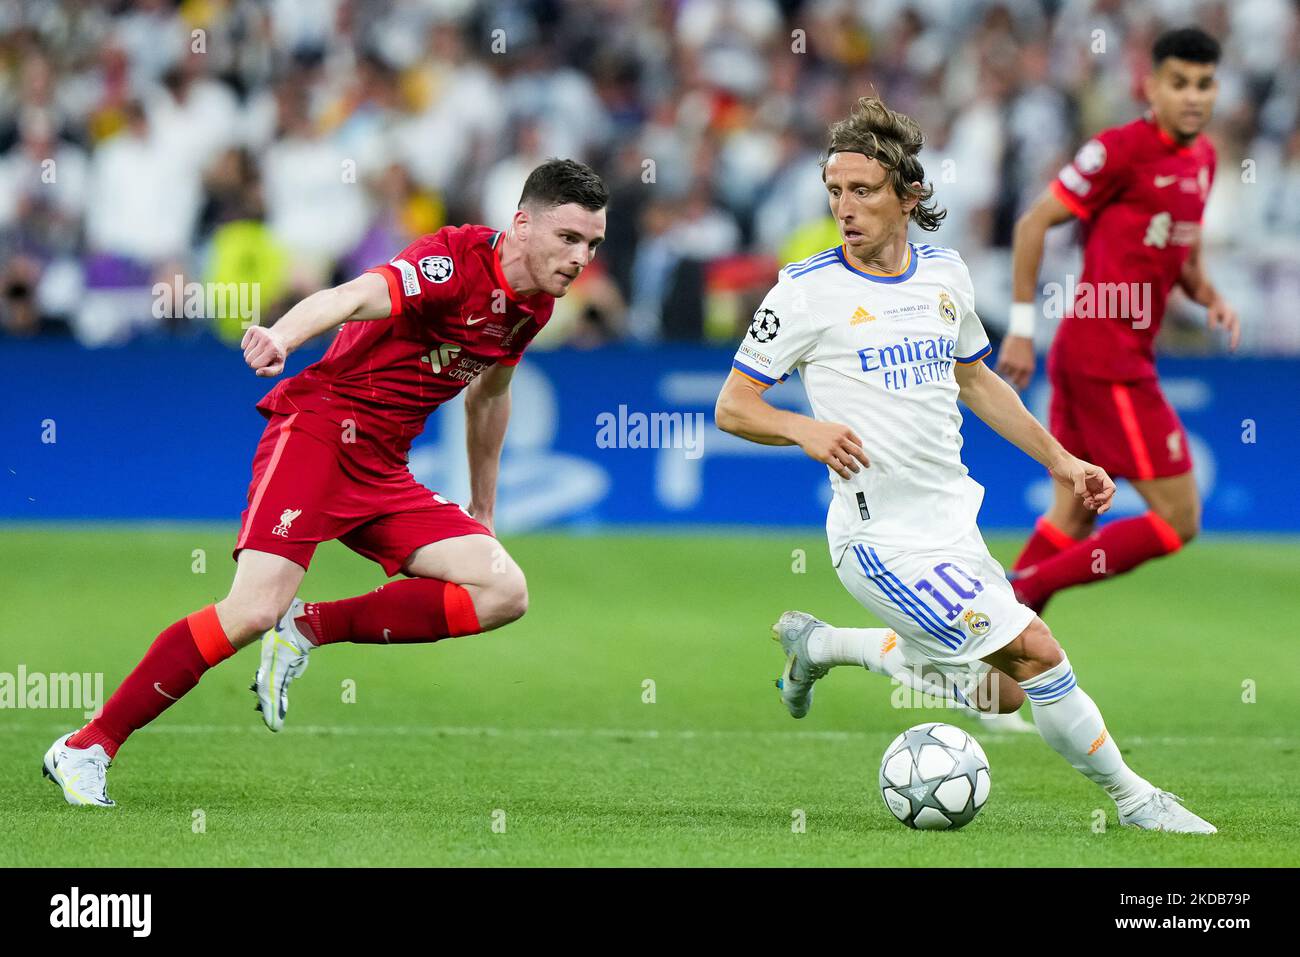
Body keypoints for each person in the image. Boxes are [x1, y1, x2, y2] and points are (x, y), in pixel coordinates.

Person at [714, 96, 1215, 832]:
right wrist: (802, 429)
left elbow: (977, 379)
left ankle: (819, 644)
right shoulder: (804, 291)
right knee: (1035, 650)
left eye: (861, 190)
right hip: (878, 539)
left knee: (1002, 693)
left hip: (951, 524)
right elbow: (733, 405)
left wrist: (1064, 458)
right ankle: (1138, 799)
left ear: (908, 195)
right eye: (834, 191)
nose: (844, 207)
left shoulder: (944, 274)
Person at [42, 159, 608, 807]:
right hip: (318, 432)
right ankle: (87, 745)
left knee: (504, 589)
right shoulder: (452, 260)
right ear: (522, 224)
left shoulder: (532, 304)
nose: (580, 257)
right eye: (568, 238)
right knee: (252, 608)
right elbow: (350, 297)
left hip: (384, 467)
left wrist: (482, 505)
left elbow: (490, 397)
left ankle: (309, 625)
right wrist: (282, 335)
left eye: (592, 244)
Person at [996, 28, 1239, 613]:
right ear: (1150, 85)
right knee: (1180, 518)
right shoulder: (1119, 150)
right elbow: (1033, 223)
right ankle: (1020, 590)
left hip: (1101, 358)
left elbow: (1182, 257)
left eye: (1204, 85)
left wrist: (1209, 295)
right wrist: (1023, 327)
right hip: (1107, 358)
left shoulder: (1203, 159)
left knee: (1074, 512)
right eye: (1178, 82)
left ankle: (991, 645)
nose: (1192, 96)